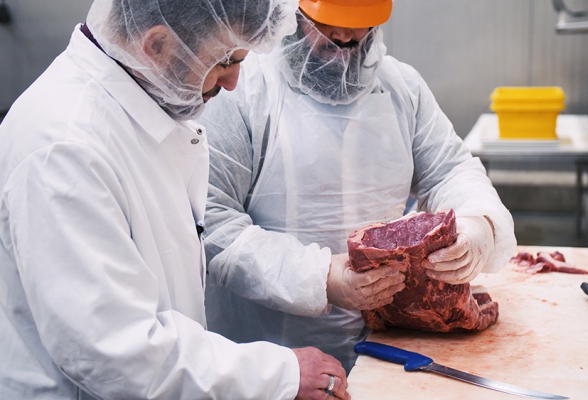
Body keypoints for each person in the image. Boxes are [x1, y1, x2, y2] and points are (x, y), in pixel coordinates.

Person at [0, 0, 354, 399]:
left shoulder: (142, 106)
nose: (234, 81)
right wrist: (279, 376)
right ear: (157, 45)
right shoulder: (64, 147)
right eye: (224, 62)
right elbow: (118, 352)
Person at [197, 0, 518, 374]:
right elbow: (214, 222)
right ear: (292, 14)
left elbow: (450, 170)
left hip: (389, 351)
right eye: (328, 25)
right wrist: (320, 278)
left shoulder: (402, 86)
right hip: (268, 360)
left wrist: (479, 224)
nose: (345, 37)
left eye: (358, 27)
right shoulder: (243, 88)